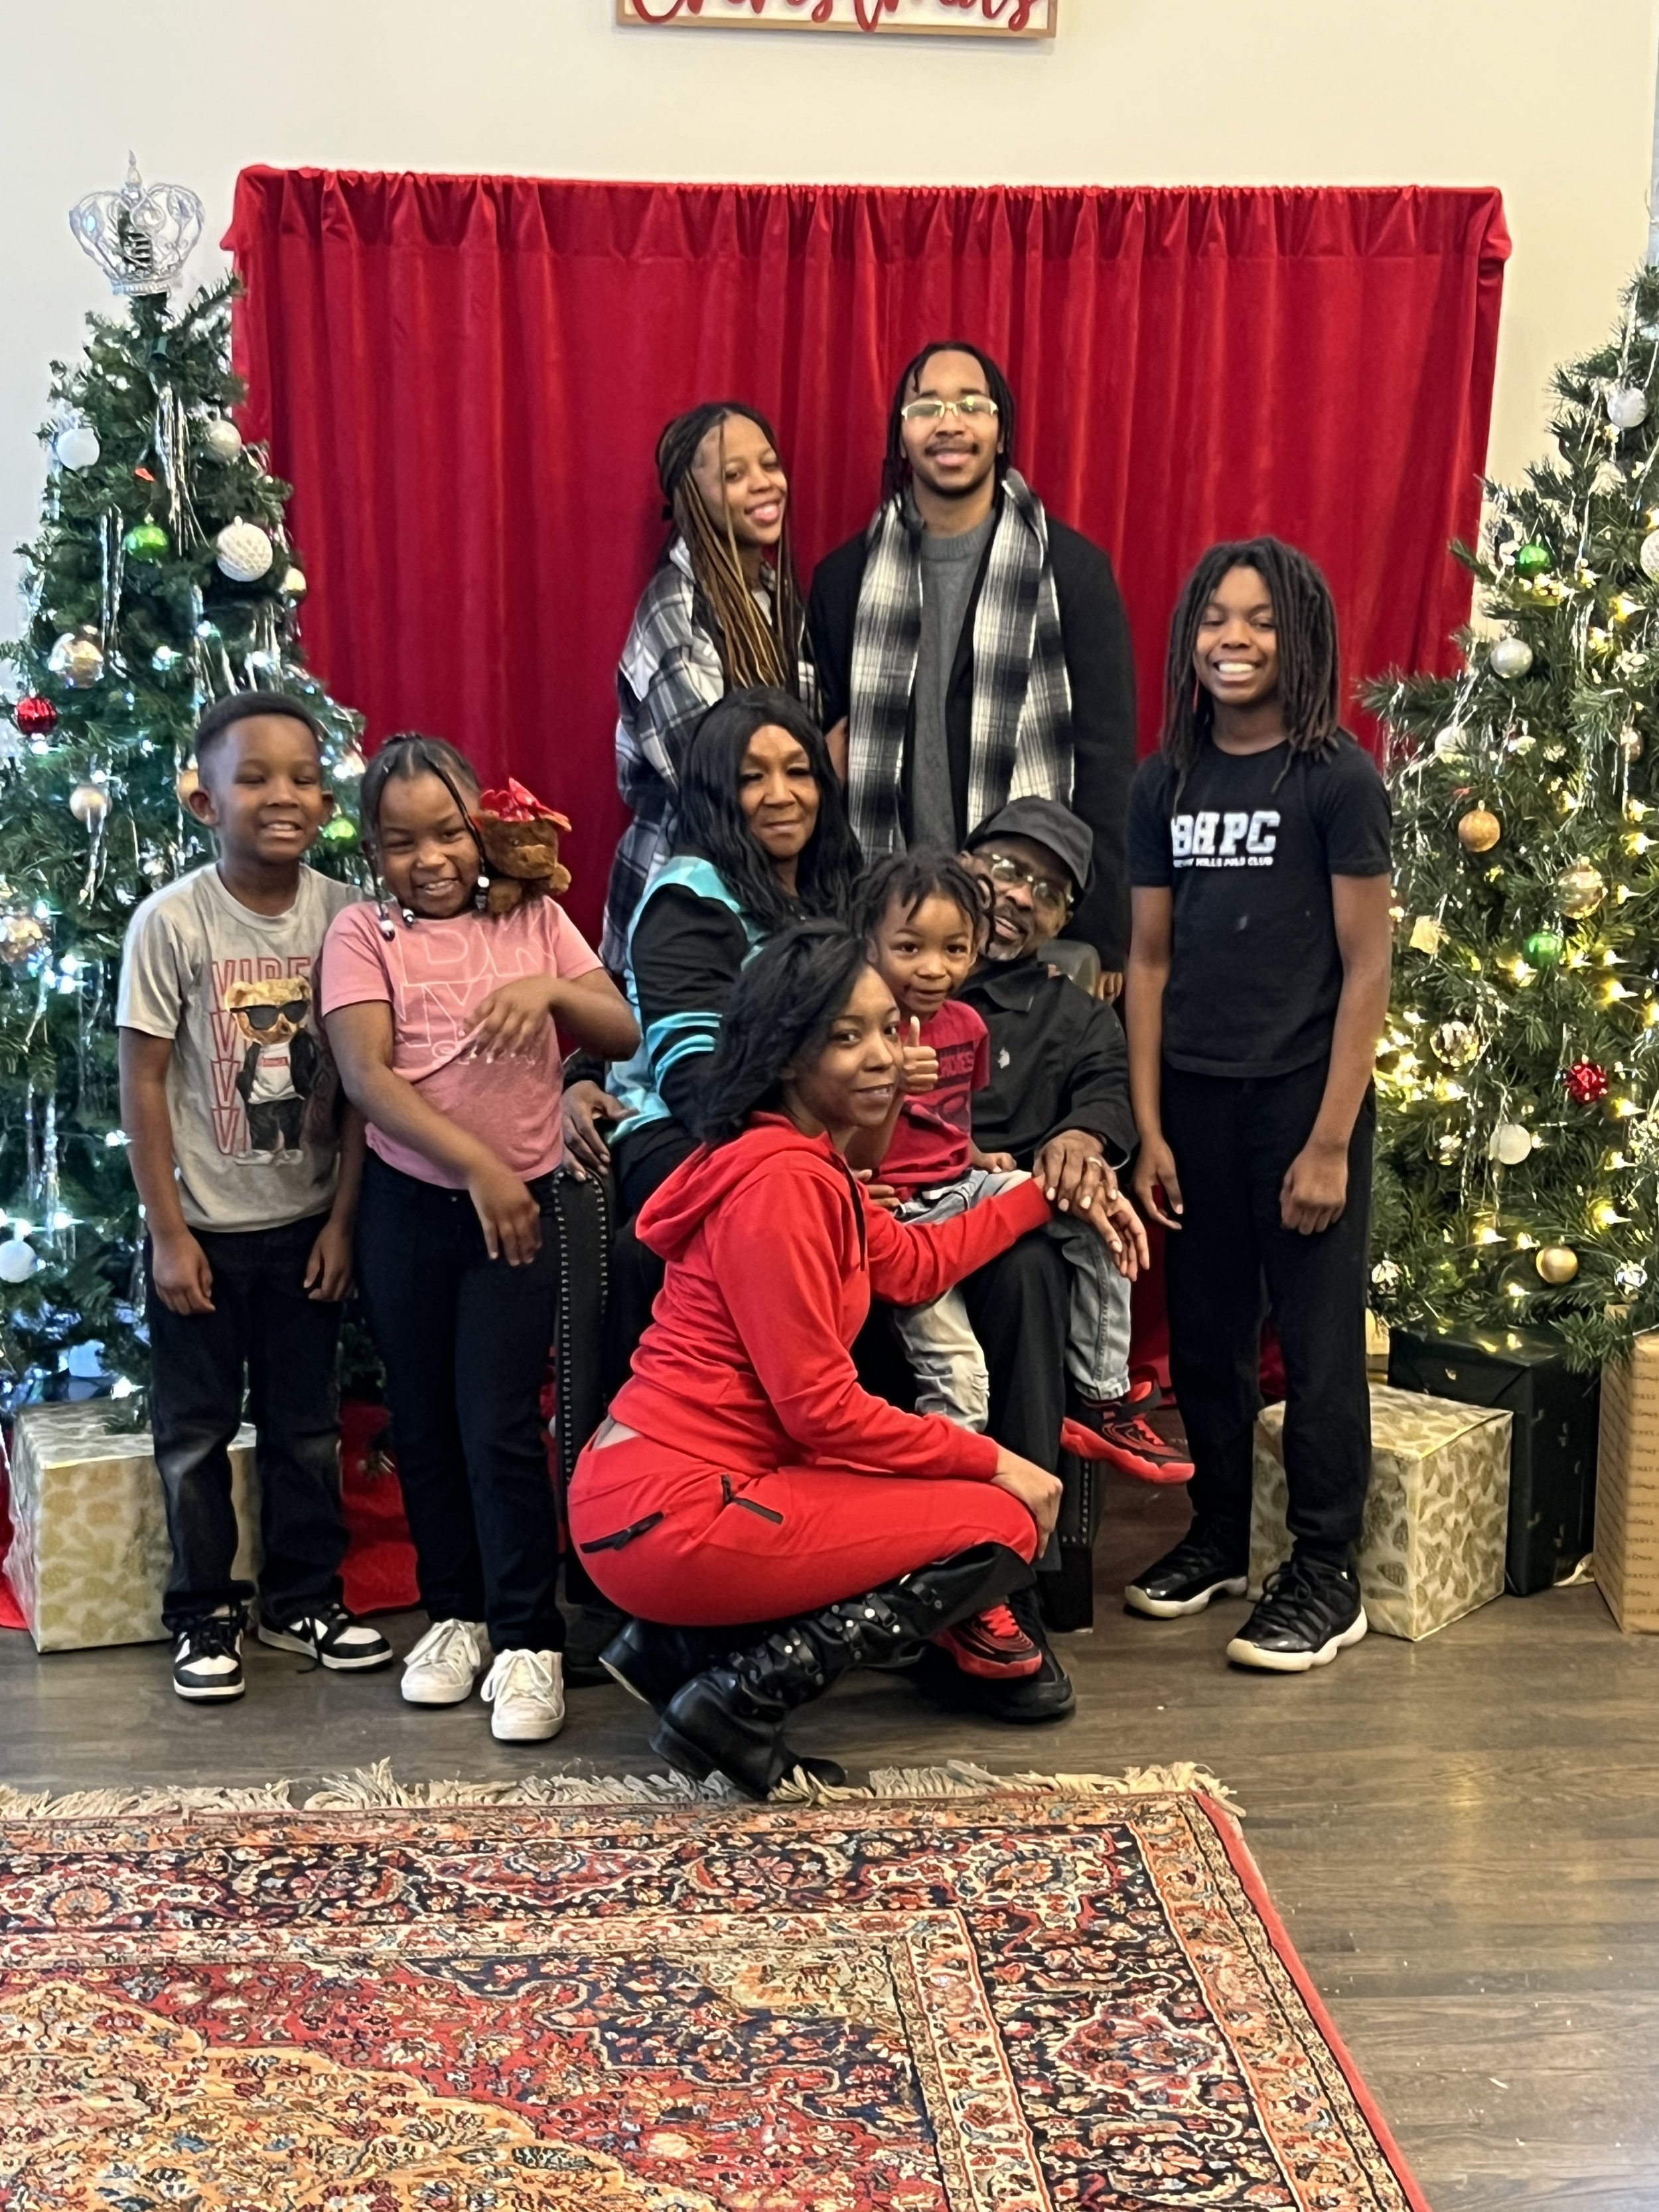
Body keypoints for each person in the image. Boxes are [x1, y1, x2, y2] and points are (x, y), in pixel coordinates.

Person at [567, 922, 1148, 1799]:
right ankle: (735, 1700)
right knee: (1001, 1521)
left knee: (967, 1499)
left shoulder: (806, 1163)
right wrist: (1003, 1463)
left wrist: (1039, 1192)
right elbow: (824, 1413)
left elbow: (915, 1266)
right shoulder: (784, 1188)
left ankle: (674, 1651)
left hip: (666, 1497)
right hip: (675, 1512)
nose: (885, 1056)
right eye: (847, 1036)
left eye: (889, 1028)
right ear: (786, 1054)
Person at [321, 736, 638, 1741]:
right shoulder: (361, 935)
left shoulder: (535, 919)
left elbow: (621, 1027)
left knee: (498, 1421)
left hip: (521, 1210)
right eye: (402, 841)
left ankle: (526, 1636)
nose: (432, 858)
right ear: (373, 850)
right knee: (420, 1421)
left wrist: (550, 994)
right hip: (413, 1209)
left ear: (483, 827)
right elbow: (370, 1080)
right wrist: (479, 1167)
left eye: (449, 832)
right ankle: (454, 1613)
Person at [1123, 538, 1392, 1672]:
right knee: (1208, 1337)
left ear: (1303, 636)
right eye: (1214, 620)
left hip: (1302, 1105)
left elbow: (1368, 964)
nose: (1233, 640)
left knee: (1320, 1347)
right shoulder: (1164, 780)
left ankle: (1326, 1572)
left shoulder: (1336, 777)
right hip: (1192, 1100)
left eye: (1261, 620)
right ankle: (1222, 1533)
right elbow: (1145, 960)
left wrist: (1331, 1137)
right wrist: (1147, 1127)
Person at [117, 691, 392, 1702]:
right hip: (205, 1236)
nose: (284, 794)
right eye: (255, 776)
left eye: (305, 776)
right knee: (193, 1434)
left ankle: (304, 1598)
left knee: (306, 1428)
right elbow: (141, 1078)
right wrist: (168, 1233)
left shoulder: (347, 921)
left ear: (328, 799)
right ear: (203, 800)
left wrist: (344, 1218)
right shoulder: (173, 923)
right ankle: (202, 1613)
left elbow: (366, 1082)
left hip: (306, 1227)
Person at [808, 339, 1137, 983]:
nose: (949, 422)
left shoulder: (1072, 572)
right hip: (884, 933)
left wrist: (1102, 936)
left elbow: (1106, 762)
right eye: (926, 405)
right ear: (901, 436)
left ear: (1001, 428)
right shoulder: (841, 581)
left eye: (971, 404)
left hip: (1030, 931)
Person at [566, 688, 861, 1388]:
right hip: (682, 1132)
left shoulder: (837, 885)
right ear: (715, 794)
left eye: (798, 770)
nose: (782, 794)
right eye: (751, 777)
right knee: (780, 1220)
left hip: (802, 1131)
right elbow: (696, 1084)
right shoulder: (687, 896)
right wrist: (807, 1169)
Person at [854, 847, 1149, 1452]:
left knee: (1090, 1207)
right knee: (963, 1380)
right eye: (911, 948)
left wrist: (980, 1155)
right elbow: (816, 1122)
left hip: (961, 1186)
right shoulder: (857, 1024)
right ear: (870, 944)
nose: (933, 968)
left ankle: (1101, 1392)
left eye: (953, 950)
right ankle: (946, 1493)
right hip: (900, 1215)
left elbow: (951, 1117)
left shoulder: (971, 1023)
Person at [603, 402, 817, 973]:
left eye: (769, 464)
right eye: (732, 474)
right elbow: (709, 778)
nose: (762, 484)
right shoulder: (673, 608)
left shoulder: (777, 599)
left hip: (769, 897)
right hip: (686, 899)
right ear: (690, 496)